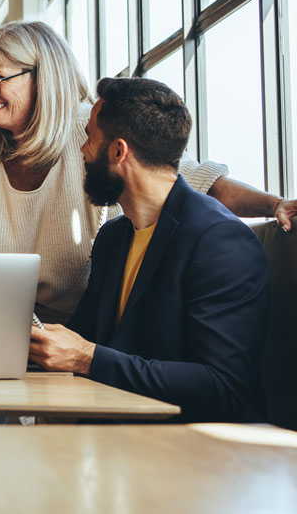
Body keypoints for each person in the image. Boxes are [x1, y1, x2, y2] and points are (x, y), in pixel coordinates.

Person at [0, 21, 295, 323]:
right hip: (0, 317)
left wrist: (274, 204)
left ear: (43, 78)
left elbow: (187, 181)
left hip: (89, 324)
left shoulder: (91, 130)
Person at [29, 77, 269, 422]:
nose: (81, 149)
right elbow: (83, 338)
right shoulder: (113, 238)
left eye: (90, 139)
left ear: (118, 151)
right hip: (120, 439)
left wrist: (87, 358)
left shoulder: (221, 241)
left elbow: (224, 386)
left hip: (203, 454)